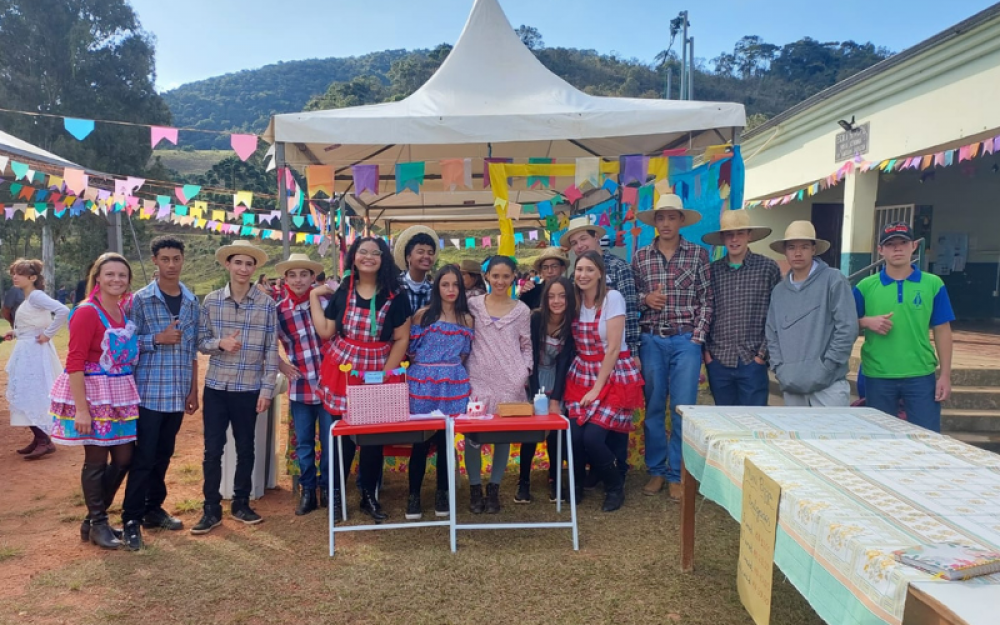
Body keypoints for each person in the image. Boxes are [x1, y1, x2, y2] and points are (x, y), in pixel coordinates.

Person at [312, 237, 411, 522]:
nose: (368, 257)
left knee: (372, 438)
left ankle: (369, 495)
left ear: (384, 259)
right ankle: (336, 496)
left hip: (377, 367)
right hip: (344, 369)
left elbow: (401, 338)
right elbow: (327, 331)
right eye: (362, 252)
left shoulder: (396, 295)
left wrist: (383, 377)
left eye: (375, 253)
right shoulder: (344, 290)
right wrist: (312, 298)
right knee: (342, 435)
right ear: (353, 257)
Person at [50, 253, 140, 549]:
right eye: (110, 274)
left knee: (125, 457)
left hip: (118, 394)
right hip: (93, 393)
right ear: (97, 277)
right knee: (96, 460)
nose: (116, 280)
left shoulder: (120, 310)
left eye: (122, 275)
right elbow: (74, 361)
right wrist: (82, 410)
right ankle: (99, 523)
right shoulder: (87, 311)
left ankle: (92, 521)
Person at [193, 240, 279, 535]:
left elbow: (271, 350)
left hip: (249, 387)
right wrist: (220, 343)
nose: (243, 269)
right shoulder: (212, 301)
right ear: (227, 265)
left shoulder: (267, 304)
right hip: (217, 386)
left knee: (246, 447)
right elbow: (200, 342)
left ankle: (241, 502)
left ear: (255, 268)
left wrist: (267, 389)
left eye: (249, 264)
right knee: (212, 449)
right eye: (238, 263)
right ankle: (210, 507)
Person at [120, 237, 200, 550]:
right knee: (143, 457)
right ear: (154, 261)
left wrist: (193, 389)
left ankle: (154, 508)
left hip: (177, 392)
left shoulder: (192, 301)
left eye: (176, 258)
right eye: (164, 259)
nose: (170, 264)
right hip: (148, 393)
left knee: (164, 455)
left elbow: (192, 348)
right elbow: (124, 344)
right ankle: (131, 517)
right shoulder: (139, 300)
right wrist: (156, 339)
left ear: (183, 260)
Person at [631, 194, 712, 501]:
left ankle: (677, 473)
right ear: (655, 222)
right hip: (651, 338)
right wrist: (645, 300)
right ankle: (656, 470)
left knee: (683, 409)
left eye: (671, 217)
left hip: (684, 340)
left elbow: (707, 300)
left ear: (681, 221)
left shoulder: (697, 255)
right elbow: (631, 296)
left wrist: (698, 337)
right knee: (653, 407)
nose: (665, 223)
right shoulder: (641, 256)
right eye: (660, 218)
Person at [854, 222, 954, 431]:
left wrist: (945, 374)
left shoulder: (933, 284)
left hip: (920, 374)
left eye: (903, 243)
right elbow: (844, 325)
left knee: (926, 438)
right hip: (878, 374)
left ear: (914, 246)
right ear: (880, 250)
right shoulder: (865, 287)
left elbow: (942, 329)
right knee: (879, 440)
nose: (897, 248)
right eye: (890, 244)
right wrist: (865, 322)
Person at [564, 252, 644, 512]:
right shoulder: (574, 301)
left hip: (611, 373)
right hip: (582, 372)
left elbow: (612, 349)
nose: (583, 275)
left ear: (600, 273)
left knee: (594, 438)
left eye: (589, 269)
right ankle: (576, 485)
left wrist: (597, 389)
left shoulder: (613, 298)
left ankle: (614, 484)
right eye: (579, 270)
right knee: (574, 434)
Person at [405, 265, 474, 520]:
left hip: (452, 383)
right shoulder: (423, 316)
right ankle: (413, 495)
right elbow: (411, 350)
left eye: (455, 284)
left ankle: (442, 492)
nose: (451, 290)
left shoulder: (466, 319)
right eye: (445, 284)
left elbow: (465, 353)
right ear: (437, 287)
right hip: (423, 383)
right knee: (420, 442)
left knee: (446, 443)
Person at [465, 256, 532, 514]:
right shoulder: (473, 305)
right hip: (477, 380)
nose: (500, 281)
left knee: (502, 438)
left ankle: (494, 488)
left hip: (510, 382)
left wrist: (523, 372)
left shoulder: (521, 310)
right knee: (474, 435)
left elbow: (527, 345)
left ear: (514, 277)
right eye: (495, 276)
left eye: (506, 276)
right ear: (487, 276)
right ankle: (474, 488)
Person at [766, 221, 858, 407]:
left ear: (814, 249)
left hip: (829, 386)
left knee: (832, 436)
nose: (797, 253)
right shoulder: (779, 291)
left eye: (804, 247)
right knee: (796, 436)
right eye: (792, 247)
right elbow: (772, 333)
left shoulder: (833, 280)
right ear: (785, 251)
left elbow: (847, 328)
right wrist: (780, 368)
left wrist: (828, 366)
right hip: (791, 385)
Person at [702, 210, 781, 406]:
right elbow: (704, 309)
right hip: (719, 358)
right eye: (729, 234)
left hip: (752, 358)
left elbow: (777, 313)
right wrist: (707, 353)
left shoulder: (767, 268)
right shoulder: (713, 271)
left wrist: (762, 355)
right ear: (722, 238)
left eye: (740, 233)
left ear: (749, 235)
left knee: (754, 421)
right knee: (724, 421)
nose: (734, 239)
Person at [274, 253, 331, 516]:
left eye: (304, 274)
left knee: (331, 439)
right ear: (285, 279)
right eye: (293, 275)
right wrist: (281, 364)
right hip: (301, 384)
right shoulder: (279, 310)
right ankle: (308, 490)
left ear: (312, 277)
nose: (298, 280)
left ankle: (330, 489)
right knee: (305, 441)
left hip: (330, 382)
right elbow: (265, 344)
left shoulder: (326, 301)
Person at [517, 277, 579, 504]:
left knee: (555, 432)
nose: (556, 300)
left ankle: (555, 477)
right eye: (552, 296)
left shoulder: (572, 323)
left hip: (558, 379)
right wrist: (534, 395)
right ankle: (523, 482)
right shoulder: (535, 319)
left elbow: (563, 363)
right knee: (531, 433)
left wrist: (555, 398)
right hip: (533, 377)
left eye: (562, 295)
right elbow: (529, 356)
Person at [5, 259, 69, 460]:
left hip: (34, 351)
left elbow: (63, 310)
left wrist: (48, 334)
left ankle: (44, 439)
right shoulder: (29, 298)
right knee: (26, 391)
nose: (15, 277)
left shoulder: (36, 296)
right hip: (27, 348)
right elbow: (33, 323)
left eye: (20, 273)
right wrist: (15, 332)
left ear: (32, 278)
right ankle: (38, 436)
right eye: (14, 273)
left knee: (31, 391)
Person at [394, 225, 438, 315]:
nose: (426, 256)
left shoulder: (433, 290)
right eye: (420, 252)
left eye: (430, 253)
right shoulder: (395, 285)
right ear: (408, 257)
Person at [518, 247, 569, 311]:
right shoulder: (531, 292)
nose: (550, 271)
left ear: (562, 268)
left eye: (554, 266)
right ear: (541, 271)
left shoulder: (570, 291)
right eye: (545, 267)